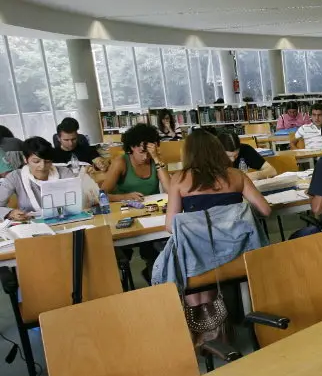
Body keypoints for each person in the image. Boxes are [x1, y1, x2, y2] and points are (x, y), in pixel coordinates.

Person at [159, 129, 271, 344]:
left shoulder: (180, 179)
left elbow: (171, 226)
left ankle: (204, 327)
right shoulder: (237, 175)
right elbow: (265, 211)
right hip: (239, 258)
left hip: (201, 264)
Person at [0, 137, 98, 221]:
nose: (42, 166)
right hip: (31, 225)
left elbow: (80, 199)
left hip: (65, 220)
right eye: (36, 161)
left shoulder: (64, 173)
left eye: (47, 161)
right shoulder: (15, 177)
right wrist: (10, 213)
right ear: (25, 159)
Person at [99, 123, 172, 201]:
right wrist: (125, 197)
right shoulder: (120, 162)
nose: (145, 157)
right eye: (141, 152)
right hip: (125, 208)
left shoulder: (157, 160)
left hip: (152, 207)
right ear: (132, 147)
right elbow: (101, 196)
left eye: (149, 153)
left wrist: (155, 157)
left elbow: (170, 190)